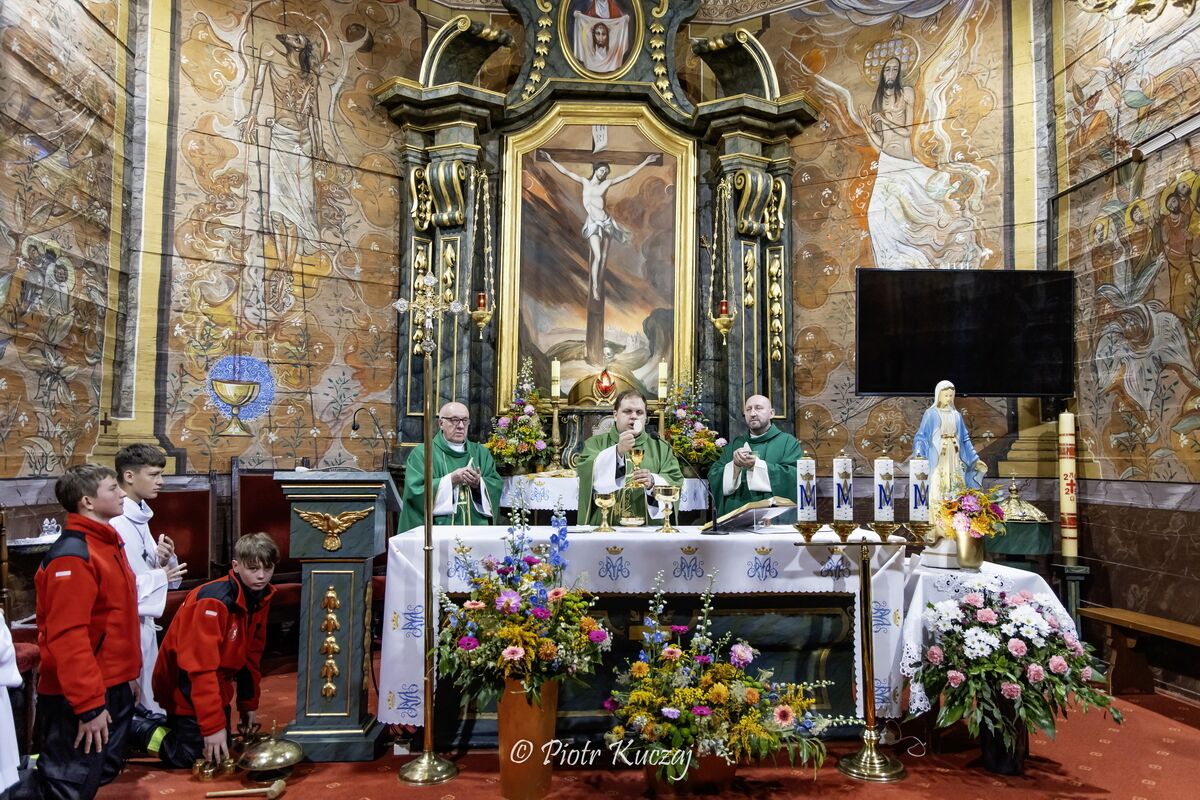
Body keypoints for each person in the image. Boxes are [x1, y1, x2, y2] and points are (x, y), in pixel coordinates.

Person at [35, 464, 141, 799]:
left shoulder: (107, 543)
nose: (122, 493)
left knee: (96, 775)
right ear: (88, 501)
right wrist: (89, 705)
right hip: (79, 693)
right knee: (67, 786)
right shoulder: (73, 555)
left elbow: (114, 621)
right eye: (113, 488)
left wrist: (126, 676)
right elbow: (68, 638)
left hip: (110, 684)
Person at [146, 533, 278, 768]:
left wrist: (248, 704)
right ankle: (138, 727)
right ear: (236, 566)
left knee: (220, 750)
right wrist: (212, 727)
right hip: (183, 684)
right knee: (191, 756)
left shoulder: (260, 596)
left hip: (217, 685)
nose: (261, 576)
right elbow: (199, 669)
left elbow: (251, 657)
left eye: (267, 569)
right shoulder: (213, 601)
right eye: (253, 568)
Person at [542, 152, 658, 364]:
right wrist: (550, 160)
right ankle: (595, 285)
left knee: (602, 257)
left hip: (605, 221)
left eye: (605, 172)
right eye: (601, 170)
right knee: (596, 255)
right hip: (593, 223)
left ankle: (597, 282)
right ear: (595, 170)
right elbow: (565, 171)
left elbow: (627, 175)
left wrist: (645, 162)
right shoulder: (585, 182)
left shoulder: (606, 185)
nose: (603, 174)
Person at [110, 444, 187, 722]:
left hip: (143, 620)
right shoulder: (117, 521)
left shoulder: (139, 516)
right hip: (126, 624)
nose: (161, 481)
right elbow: (119, 583)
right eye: (154, 475)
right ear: (129, 476)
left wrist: (162, 559)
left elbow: (144, 564)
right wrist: (161, 576)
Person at [576, 389, 683, 527]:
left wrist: (653, 482)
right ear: (615, 415)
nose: (634, 416)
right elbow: (587, 475)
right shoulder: (595, 443)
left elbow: (674, 480)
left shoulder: (661, 447)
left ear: (646, 418)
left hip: (649, 529)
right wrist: (617, 451)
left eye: (639, 412)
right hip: (606, 526)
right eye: (627, 411)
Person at [398, 401, 503, 531]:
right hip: (438, 531)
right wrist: (451, 480)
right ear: (441, 423)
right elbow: (415, 492)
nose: (461, 426)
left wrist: (478, 484)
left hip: (476, 530)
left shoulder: (481, 453)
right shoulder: (423, 453)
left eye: (465, 420)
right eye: (454, 420)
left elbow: (495, 485)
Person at [707, 395, 805, 517]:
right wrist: (734, 466)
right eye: (748, 409)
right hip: (737, 517)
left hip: (772, 517)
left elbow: (795, 475)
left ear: (771, 413)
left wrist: (757, 466)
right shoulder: (735, 444)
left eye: (758, 408)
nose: (752, 414)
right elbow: (714, 475)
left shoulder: (788, 442)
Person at [911, 381, 987, 525]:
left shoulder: (956, 415)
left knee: (956, 484)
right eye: (946, 395)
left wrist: (975, 459)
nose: (949, 398)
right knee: (938, 483)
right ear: (938, 395)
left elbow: (965, 439)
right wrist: (920, 453)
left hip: (955, 456)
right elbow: (921, 436)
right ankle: (937, 522)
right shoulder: (931, 414)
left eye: (951, 395)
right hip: (939, 456)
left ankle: (956, 520)